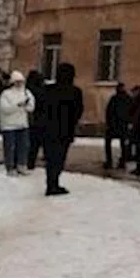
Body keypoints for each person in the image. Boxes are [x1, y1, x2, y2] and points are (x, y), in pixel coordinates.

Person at [38, 61, 83, 196]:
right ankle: (54, 184)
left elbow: (40, 109)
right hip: (64, 131)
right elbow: (78, 111)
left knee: (50, 158)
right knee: (59, 158)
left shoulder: (47, 89)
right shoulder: (75, 92)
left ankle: (50, 183)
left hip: (47, 130)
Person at [0, 71, 35, 175]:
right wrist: (18, 105)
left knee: (23, 146)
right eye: (17, 81)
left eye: (21, 81)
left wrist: (25, 105)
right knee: (10, 147)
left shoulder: (26, 92)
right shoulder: (6, 94)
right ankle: (10, 167)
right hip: (8, 125)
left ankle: (21, 165)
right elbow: (5, 109)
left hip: (22, 124)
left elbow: (31, 107)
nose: (19, 84)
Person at [103, 83, 132, 170]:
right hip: (123, 125)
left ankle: (109, 162)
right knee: (123, 144)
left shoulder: (114, 98)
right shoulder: (128, 99)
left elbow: (109, 111)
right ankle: (122, 162)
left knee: (108, 143)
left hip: (114, 125)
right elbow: (131, 111)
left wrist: (109, 123)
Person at [25, 70, 46, 170]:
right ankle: (31, 162)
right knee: (35, 143)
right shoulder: (42, 90)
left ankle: (25, 161)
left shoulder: (26, 90)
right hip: (39, 120)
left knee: (27, 142)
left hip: (28, 119)